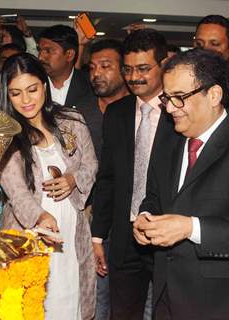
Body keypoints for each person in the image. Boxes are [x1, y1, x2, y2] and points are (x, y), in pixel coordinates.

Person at [134, 48, 229, 320]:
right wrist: (146, 219)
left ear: (214, 95)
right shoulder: (168, 141)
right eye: (167, 98)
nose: (169, 108)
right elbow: (155, 197)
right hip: (165, 296)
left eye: (179, 98)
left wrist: (190, 227)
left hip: (224, 303)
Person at [0, 53, 97, 320]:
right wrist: (39, 216)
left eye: (32, 89)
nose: (26, 100)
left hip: (70, 226)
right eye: (16, 93)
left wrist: (72, 179)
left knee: (70, 295)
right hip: (28, 232)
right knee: (33, 302)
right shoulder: (4, 133)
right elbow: (15, 189)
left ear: (44, 85)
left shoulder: (71, 121)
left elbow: (90, 164)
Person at [91, 28, 168, 320]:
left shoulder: (182, 112)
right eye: (128, 69)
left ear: (163, 65)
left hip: (167, 234)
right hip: (124, 237)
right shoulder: (118, 112)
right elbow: (107, 177)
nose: (134, 77)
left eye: (144, 69)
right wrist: (98, 236)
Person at [75, 38, 129, 320]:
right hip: (90, 219)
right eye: (93, 67)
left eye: (106, 66)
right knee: (96, 297)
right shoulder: (78, 113)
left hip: (131, 219)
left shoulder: (140, 110)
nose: (97, 73)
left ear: (125, 70)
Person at [38, 24, 93, 107]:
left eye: (48, 51)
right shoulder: (32, 84)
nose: (40, 57)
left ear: (69, 55)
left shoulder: (91, 86)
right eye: (39, 50)